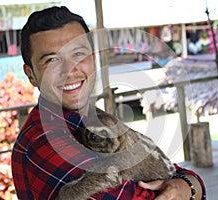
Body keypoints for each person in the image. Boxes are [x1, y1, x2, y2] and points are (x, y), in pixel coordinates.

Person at [11, 6, 206, 200]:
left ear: (93, 60)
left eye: (78, 54)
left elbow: (169, 170)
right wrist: (188, 187)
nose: (70, 70)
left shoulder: (89, 116)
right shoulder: (46, 140)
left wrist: (187, 184)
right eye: (52, 60)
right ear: (31, 75)